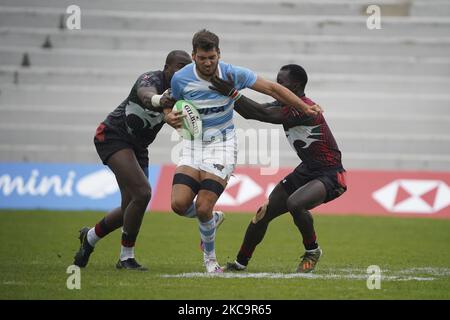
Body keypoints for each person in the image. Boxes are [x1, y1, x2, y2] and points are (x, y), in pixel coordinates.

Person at [167, 30, 323, 273]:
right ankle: (213, 220)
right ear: (193, 56)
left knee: (203, 207)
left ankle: (210, 261)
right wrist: (170, 117)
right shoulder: (181, 78)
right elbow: (170, 105)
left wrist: (304, 106)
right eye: (202, 58)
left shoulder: (232, 73)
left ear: (219, 54)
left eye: (212, 57)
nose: (208, 63)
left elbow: (271, 88)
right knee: (178, 204)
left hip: (223, 144)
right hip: (192, 145)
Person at [209, 64, 346, 273]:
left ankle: (313, 250)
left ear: (297, 85)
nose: (277, 86)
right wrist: (227, 95)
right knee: (263, 213)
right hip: (307, 170)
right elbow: (253, 111)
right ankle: (240, 262)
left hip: (330, 173)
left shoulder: (304, 108)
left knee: (295, 204)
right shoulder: (285, 104)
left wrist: (231, 93)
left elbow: (260, 113)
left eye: (282, 82)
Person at [73, 50, 192, 270]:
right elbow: (146, 95)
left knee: (130, 207)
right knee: (143, 193)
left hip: (138, 146)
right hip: (113, 136)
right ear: (166, 68)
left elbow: (183, 118)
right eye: (180, 66)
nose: (184, 71)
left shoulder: (183, 91)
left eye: (188, 67)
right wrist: (160, 100)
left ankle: (89, 238)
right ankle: (126, 257)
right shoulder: (150, 79)